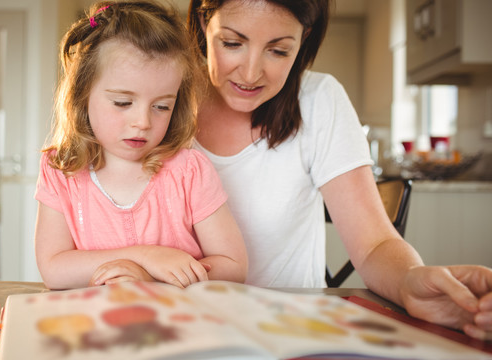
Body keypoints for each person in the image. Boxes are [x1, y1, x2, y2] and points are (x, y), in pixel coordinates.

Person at [187, 0, 492, 341]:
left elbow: (373, 243)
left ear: (305, 38)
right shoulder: (156, 101)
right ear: (203, 20)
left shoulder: (319, 100)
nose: (250, 73)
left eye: (279, 51)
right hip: (181, 331)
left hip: (290, 335)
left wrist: (410, 282)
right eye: (232, 43)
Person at [33, 0, 248, 291]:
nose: (143, 122)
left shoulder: (189, 171)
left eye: (161, 106)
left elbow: (234, 266)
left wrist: (150, 279)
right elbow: (54, 269)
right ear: (83, 95)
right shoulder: (60, 170)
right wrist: (144, 257)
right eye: (123, 103)